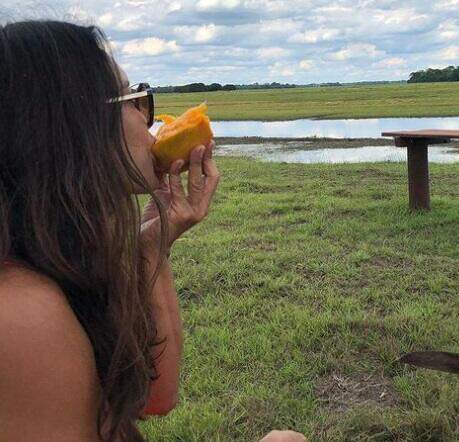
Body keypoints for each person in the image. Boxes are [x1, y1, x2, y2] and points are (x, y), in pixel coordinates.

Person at [0, 20, 305, 442]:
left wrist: (152, 242)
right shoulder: (20, 312)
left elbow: (154, 397)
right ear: (70, 127)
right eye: (132, 99)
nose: (149, 120)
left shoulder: (56, 251)